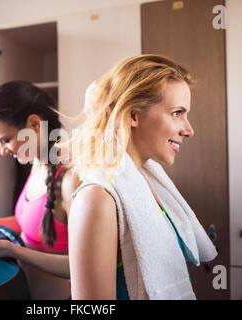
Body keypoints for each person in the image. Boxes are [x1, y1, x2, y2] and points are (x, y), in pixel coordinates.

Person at [62, 54, 218, 300]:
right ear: (132, 115)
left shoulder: (145, 182)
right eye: (177, 113)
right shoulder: (97, 199)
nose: (188, 130)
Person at [0, 81, 80, 300]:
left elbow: (83, 266)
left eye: (6, 140)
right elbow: (30, 226)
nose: (2, 151)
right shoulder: (38, 164)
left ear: (35, 124)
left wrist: (14, 251)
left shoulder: (70, 179)